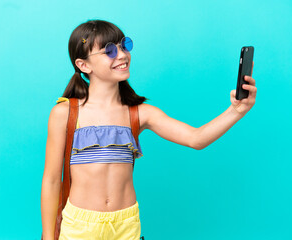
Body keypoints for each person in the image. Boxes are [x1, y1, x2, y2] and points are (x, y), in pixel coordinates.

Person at [41, 19, 257, 240]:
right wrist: (48, 237)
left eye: (124, 46)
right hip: (79, 226)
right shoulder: (65, 113)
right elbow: (50, 180)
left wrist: (237, 111)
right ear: (84, 65)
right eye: (110, 51)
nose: (123, 55)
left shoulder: (140, 113)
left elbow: (196, 138)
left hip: (126, 225)